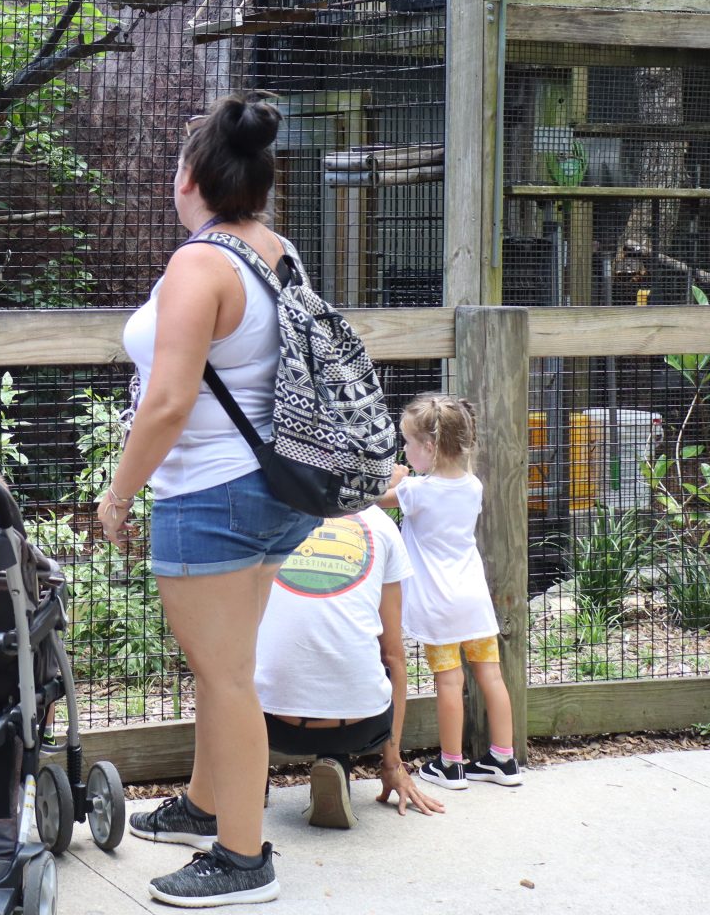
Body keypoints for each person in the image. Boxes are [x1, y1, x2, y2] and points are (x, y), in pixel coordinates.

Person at [100, 93, 316, 909]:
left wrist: (121, 492)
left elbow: (166, 402)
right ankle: (205, 803)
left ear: (188, 177)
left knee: (224, 676)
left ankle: (242, 856)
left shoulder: (199, 262)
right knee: (224, 665)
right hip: (274, 484)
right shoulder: (275, 249)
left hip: (212, 490)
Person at [255, 507, 445, 829]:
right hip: (358, 725)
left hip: (270, 726)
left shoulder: (267, 513)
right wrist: (393, 764)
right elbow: (394, 656)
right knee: (376, 662)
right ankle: (335, 761)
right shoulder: (382, 526)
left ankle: (250, 773)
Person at [380, 394, 523, 792]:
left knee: (448, 681)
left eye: (408, 443)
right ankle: (503, 758)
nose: (404, 451)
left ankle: (451, 764)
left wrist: (395, 475)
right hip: (474, 601)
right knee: (491, 676)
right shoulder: (472, 485)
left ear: (428, 447)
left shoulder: (417, 492)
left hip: (439, 604)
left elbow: (377, 496)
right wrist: (408, 477)